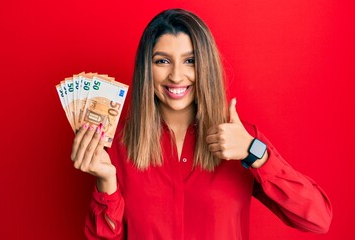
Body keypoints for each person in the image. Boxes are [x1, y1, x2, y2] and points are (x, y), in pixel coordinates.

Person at [70, 8, 332, 240]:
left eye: (190, 61)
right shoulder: (119, 146)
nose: (176, 75)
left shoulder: (241, 140)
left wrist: (255, 152)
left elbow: (317, 219)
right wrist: (106, 182)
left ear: (205, 65)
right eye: (162, 61)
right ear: (146, 69)